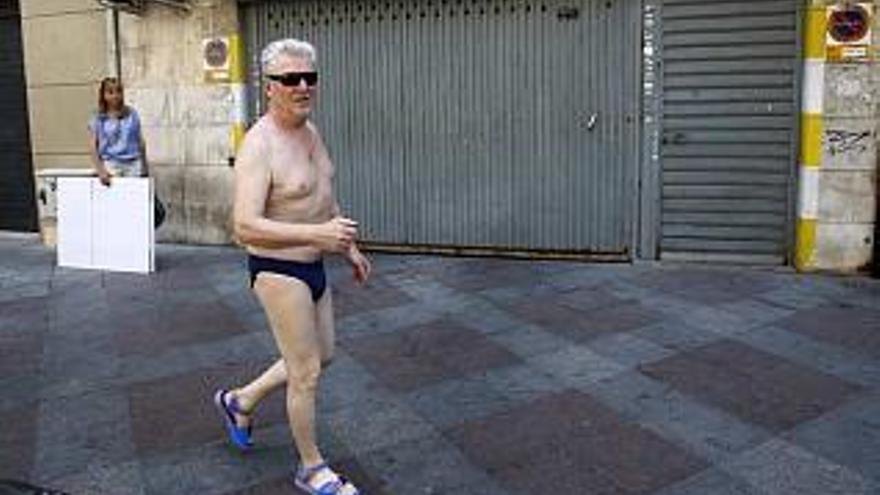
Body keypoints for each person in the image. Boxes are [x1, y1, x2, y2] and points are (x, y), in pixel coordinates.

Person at [214, 39, 371, 495]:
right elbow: (243, 225)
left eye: (310, 77)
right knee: (305, 372)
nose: (302, 86)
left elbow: (322, 195)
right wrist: (315, 236)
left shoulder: (311, 132)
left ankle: (240, 400)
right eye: (290, 79)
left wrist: (348, 246)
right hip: (278, 270)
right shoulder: (258, 146)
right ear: (270, 87)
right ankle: (311, 467)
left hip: (315, 260)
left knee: (322, 356)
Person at [88, 77, 148, 186]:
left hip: (133, 164)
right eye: (110, 92)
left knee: (133, 200)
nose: (115, 95)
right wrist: (100, 170)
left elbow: (140, 141)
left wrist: (144, 167)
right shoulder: (98, 117)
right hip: (111, 165)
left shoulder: (132, 113)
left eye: (118, 91)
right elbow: (93, 146)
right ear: (104, 95)